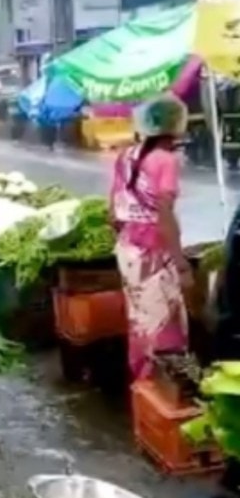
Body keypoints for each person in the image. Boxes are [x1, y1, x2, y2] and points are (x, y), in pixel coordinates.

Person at [110, 94, 191, 381]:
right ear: (176, 125)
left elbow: (114, 211)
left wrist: (129, 241)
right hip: (153, 249)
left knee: (140, 318)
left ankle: (141, 381)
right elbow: (165, 216)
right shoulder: (165, 160)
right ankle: (165, 386)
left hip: (128, 247)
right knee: (165, 323)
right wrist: (181, 265)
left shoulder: (125, 155)